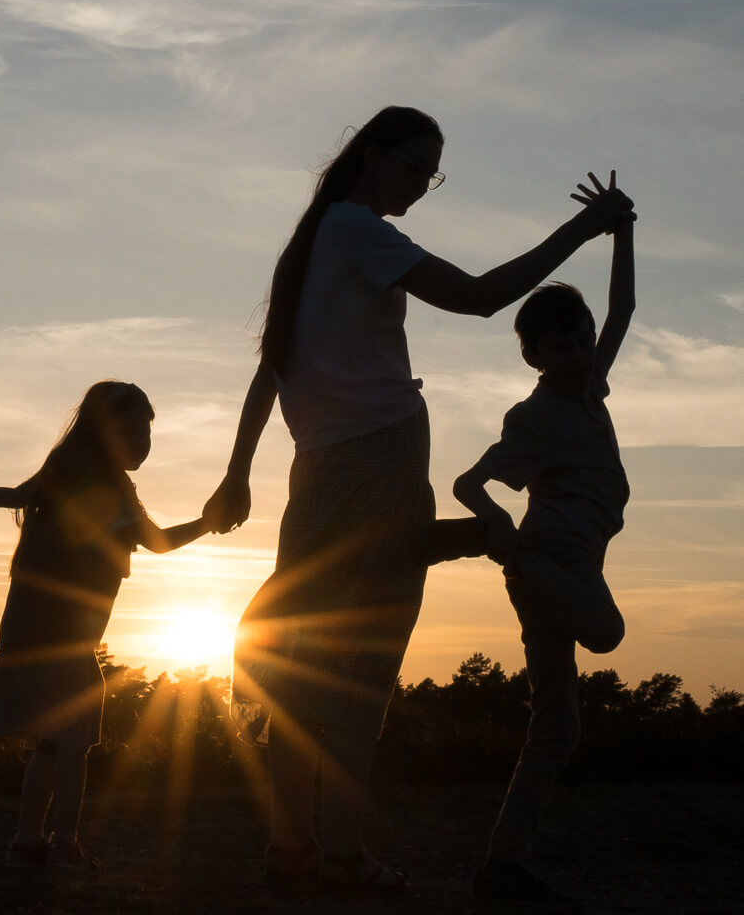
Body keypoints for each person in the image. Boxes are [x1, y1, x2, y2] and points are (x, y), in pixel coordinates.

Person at [202, 107, 634, 889]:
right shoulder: (359, 229)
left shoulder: (310, 243)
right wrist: (585, 230)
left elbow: (272, 368)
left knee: (306, 654)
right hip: (377, 455)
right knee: (360, 661)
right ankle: (338, 855)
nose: (421, 187)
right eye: (414, 167)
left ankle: (290, 849)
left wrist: (238, 471)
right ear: (372, 156)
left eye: (433, 174)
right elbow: (478, 297)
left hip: (318, 468)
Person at [454, 174, 634, 907]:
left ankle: (503, 865)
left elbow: (623, 307)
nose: (579, 347)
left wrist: (620, 227)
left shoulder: (591, 388)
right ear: (533, 357)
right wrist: (500, 529)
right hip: (547, 562)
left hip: (565, 567)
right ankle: (512, 559)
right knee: (608, 632)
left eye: (582, 337)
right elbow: (470, 483)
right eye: (559, 341)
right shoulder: (533, 420)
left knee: (556, 727)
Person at [0, 381, 210, 868]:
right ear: (101, 431)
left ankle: (27, 840)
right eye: (129, 431)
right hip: (66, 637)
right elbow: (157, 543)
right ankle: (65, 841)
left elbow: (12, 495)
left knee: (49, 742)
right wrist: (207, 523)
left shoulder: (65, 470)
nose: (141, 442)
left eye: (146, 433)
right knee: (75, 741)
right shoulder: (105, 485)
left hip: (31, 630)